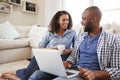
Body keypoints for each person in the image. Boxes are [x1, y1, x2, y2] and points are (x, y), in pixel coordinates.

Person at [28, 6, 120, 80]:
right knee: (37, 74)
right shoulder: (81, 36)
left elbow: (118, 70)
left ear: (94, 19)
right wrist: (68, 63)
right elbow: (74, 56)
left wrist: (95, 74)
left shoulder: (113, 40)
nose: (81, 22)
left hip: (88, 75)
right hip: (73, 70)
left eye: (84, 19)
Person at [0, 10, 76, 80]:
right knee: (32, 67)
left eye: (67, 20)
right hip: (49, 57)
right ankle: (14, 73)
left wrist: (68, 51)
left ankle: (11, 75)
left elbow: (77, 49)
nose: (66, 22)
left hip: (62, 60)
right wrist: (51, 50)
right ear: (57, 21)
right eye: (63, 20)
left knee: (33, 76)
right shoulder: (49, 33)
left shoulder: (72, 32)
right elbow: (40, 48)